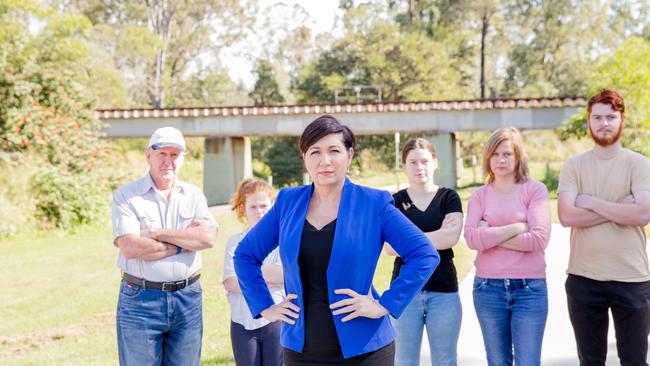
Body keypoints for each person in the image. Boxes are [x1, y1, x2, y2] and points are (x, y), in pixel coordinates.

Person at [233, 114, 439, 365]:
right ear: (305, 158)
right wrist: (265, 306)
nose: (325, 161)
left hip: (366, 349)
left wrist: (385, 304)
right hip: (301, 351)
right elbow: (245, 255)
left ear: (349, 155)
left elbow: (424, 254)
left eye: (334, 150)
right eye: (315, 152)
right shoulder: (287, 202)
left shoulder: (374, 203)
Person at [557, 88, 650, 365]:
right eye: (597, 117)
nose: (604, 123)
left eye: (611, 117)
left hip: (632, 279)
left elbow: (643, 214)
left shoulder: (639, 164)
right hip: (584, 279)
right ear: (589, 121)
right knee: (591, 361)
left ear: (622, 120)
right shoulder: (573, 166)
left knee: (634, 361)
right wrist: (620, 206)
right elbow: (567, 217)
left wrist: (592, 202)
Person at [111, 126, 218, 366]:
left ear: (182, 159)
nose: (168, 161)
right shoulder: (127, 196)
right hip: (140, 298)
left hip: (187, 298)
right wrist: (183, 243)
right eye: (162, 154)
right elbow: (129, 247)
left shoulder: (194, 195)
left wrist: (157, 234)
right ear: (148, 155)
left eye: (174, 155)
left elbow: (208, 239)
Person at [464, 127, 551, 366]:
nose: (500, 160)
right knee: (497, 362)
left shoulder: (535, 190)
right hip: (487, 289)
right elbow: (471, 239)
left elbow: (538, 240)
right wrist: (518, 227)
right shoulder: (479, 196)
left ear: (518, 157)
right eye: (495, 154)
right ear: (488, 158)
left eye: (507, 154)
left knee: (528, 362)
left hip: (529, 290)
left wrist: (489, 233)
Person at [386, 138, 463, 366]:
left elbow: (451, 238)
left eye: (425, 161)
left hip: (444, 292)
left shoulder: (449, 197)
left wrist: (408, 242)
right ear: (404, 166)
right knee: (404, 361)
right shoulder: (396, 201)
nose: (420, 167)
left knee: (445, 360)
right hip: (404, 292)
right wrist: (435, 237)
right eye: (413, 162)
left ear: (435, 163)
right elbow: (390, 248)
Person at [223, 178, 284, 366]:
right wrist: (267, 275)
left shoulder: (282, 241)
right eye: (253, 206)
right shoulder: (235, 243)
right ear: (243, 209)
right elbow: (231, 283)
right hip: (243, 322)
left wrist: (248, 272)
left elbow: (285, 275)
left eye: (264, 205)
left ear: (273, 205)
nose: (259, 211)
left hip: (277, 320)